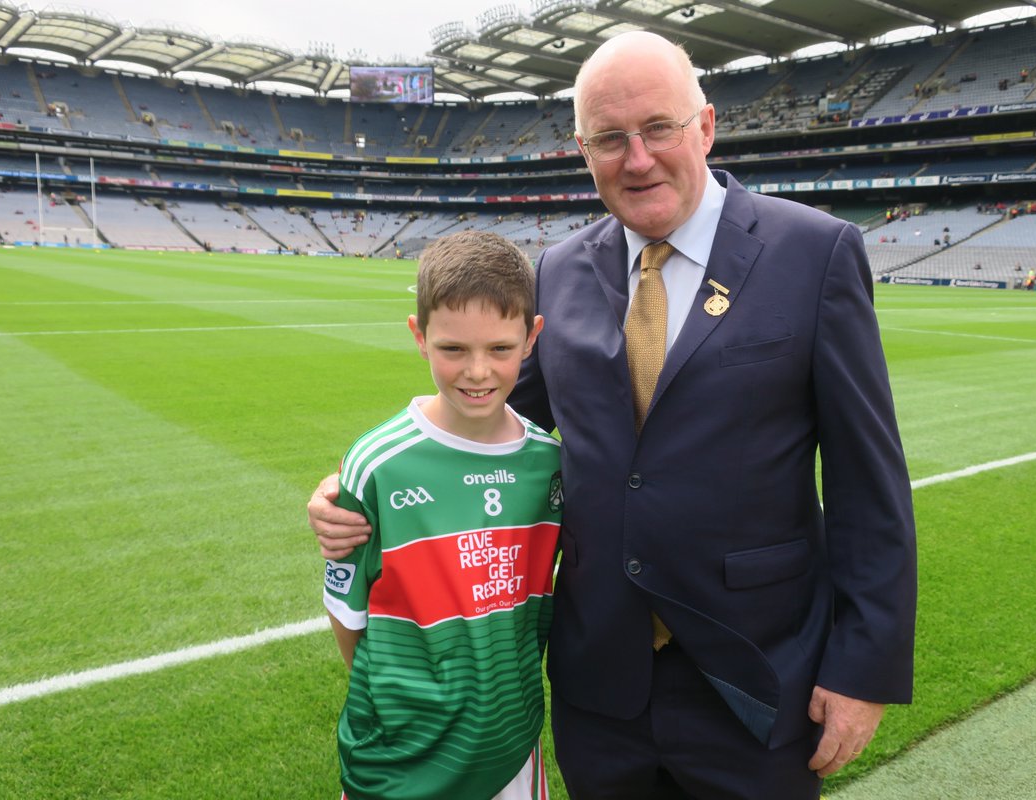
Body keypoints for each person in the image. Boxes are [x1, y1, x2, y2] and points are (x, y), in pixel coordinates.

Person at [309, 31, 915, 800]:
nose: (637, 158)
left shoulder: (815, 252)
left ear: (706, 125)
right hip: (601, 679)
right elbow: (487, 416)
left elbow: (870, 481)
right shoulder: (559, 271)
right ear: (583, 148)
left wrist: (862, 670)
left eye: (658, 128)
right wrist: (353, 486)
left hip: (757, 672)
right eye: (609, 139)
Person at [320, 230, 563, 800]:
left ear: (532, 339)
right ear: (419, 336)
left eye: (500, 349)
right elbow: (347, 614)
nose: (477, 371)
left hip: (511, 745)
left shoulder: (549, 463)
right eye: (453, 348)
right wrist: (406, 700)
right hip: (400, 758)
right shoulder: (379, 464)